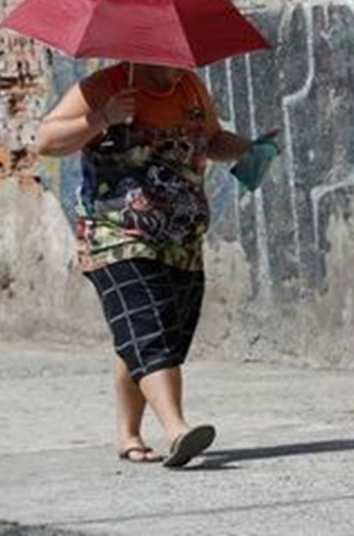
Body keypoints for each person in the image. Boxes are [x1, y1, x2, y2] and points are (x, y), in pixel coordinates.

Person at [34, 61, 256, 468]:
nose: (179, 69)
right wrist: (103, 117)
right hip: (116, 234)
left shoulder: (190, 89)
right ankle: (178, 430)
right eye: (170, 62)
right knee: (149, 329)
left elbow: (213, 139)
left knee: (144, 334)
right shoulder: (104, 86)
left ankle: (128, 434)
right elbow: (46, 141)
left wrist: (249, 149)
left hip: (181, 239)